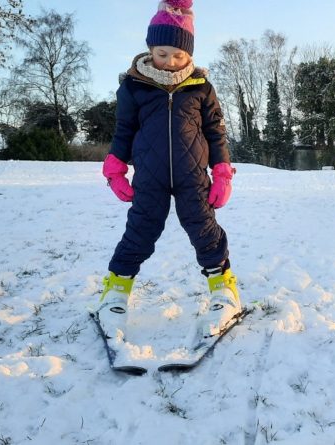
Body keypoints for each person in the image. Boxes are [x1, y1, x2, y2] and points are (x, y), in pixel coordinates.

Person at [96, 0, 239, 341]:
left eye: (178, 55)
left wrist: (221, 171)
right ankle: (114, 292)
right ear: (150, 48)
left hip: (193, 177)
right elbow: (124, 129)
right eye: (162, 53)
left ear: (188, 53)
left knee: (204, 230)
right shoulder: (134, 86)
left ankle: (224, 291)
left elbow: (216, 131)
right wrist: (115, 167)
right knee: (140, 230)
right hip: (150, 176)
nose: (171, 61)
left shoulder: (201, 86)